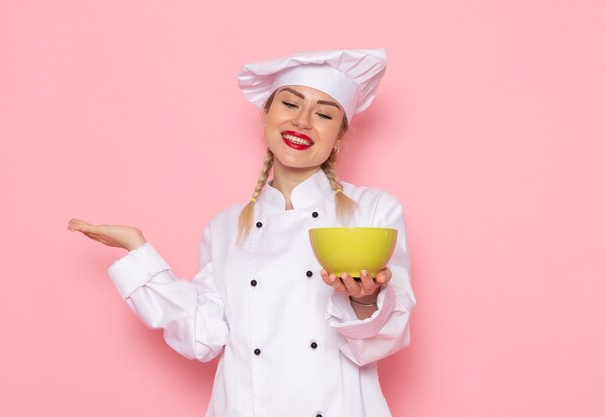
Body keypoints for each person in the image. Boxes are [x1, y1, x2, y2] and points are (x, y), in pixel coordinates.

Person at [68, 48, 417, 417]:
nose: (303, 122)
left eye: (324, 114)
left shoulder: (374, 211)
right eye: (290, 104)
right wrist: (138, 251)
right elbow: (203, 335)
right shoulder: (223, 227)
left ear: (339, 135)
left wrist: (364, 300)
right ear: (266, 115)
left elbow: (386, 337)